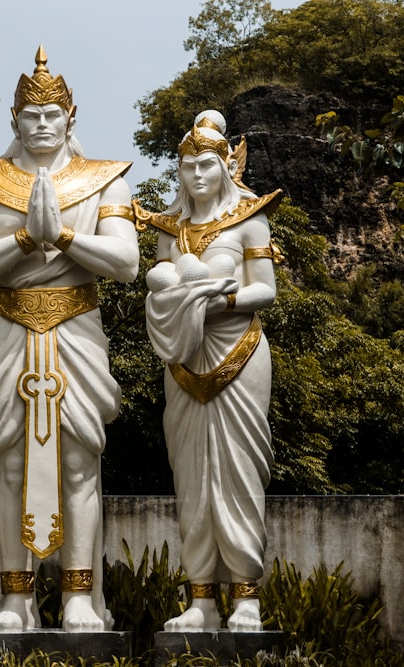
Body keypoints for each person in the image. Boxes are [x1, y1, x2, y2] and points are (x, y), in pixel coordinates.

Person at [0, 47, 139, 633]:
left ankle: (78, 594)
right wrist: (26, 238)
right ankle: (15, 599)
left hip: (76, 326)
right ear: (15, 120)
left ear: (71, 117)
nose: (43, 124)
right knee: (13, 466)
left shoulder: (107, 180)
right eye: (31, 115)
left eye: (53, 115)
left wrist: (65, 235)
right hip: (7, 326)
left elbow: (125, 262)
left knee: (78, 462)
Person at [138, 110, 281, 632]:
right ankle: (199, 599)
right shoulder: (169, 230)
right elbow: (161, 287)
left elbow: (265, 289)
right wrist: (184, 304)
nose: (196, 176)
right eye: (187, 167)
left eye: (206, 165)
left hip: (238, 351)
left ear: (227, 166)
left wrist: (214, 298)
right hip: (183, 357)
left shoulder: (249, 220)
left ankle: (246, 596)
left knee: (240, 474)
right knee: (192, 477)